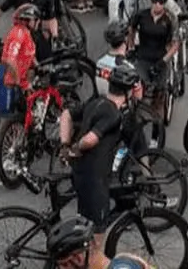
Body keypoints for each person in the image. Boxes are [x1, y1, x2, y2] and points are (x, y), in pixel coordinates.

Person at [58, 62, 136, 266]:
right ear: (128, 91)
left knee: (84, 228)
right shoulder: (114, 114)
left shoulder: (96, 102)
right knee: (96, 245)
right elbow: (92, 139)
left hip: (81, 174)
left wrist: (65, 146)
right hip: (95, 181)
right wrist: (76, 147)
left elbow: (66, 114)